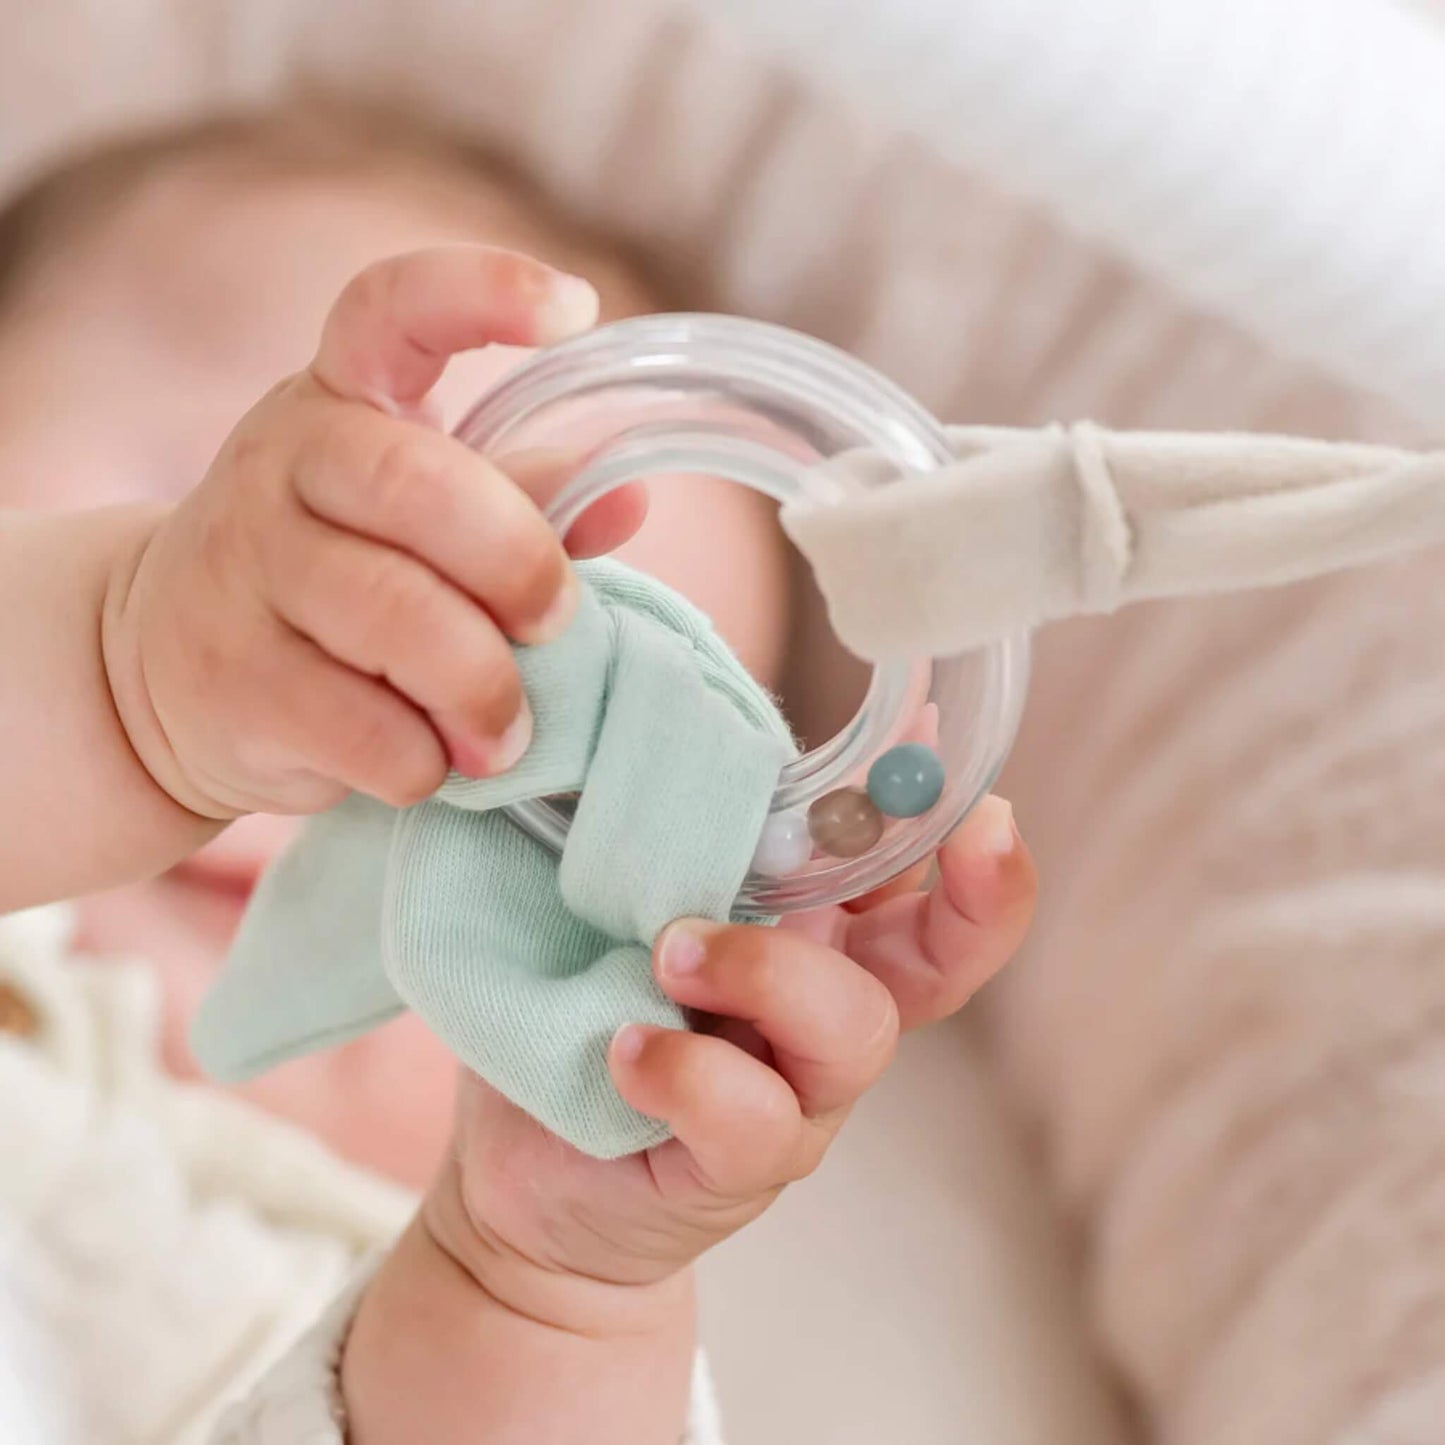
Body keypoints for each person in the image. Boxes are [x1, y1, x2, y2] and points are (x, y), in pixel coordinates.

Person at [0, 105, 1036, 1441]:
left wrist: (542, 1285)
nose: (391, 742)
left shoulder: (346, 1294)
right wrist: (118, 667)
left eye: (564, 790)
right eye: (301, 562)